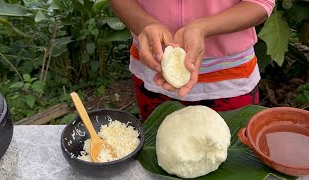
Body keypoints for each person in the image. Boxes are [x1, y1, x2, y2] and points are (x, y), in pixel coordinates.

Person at [108, 0, 275, 122]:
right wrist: (145, 24)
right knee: (160, 147)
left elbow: (261, 2)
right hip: (152, 66)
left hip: (228, 77)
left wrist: (202, 27)